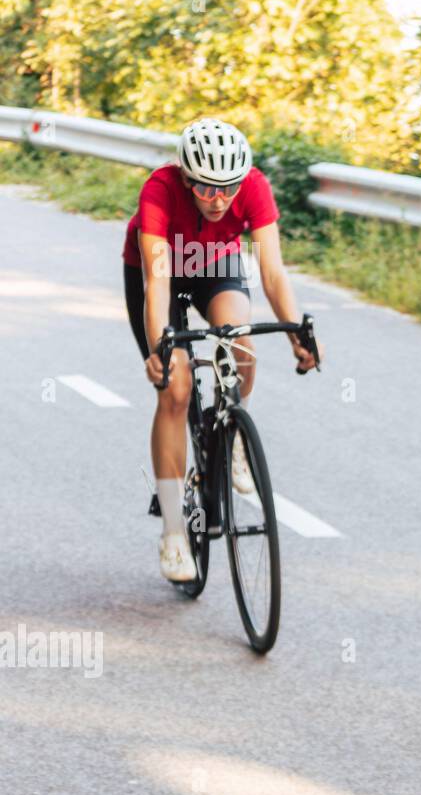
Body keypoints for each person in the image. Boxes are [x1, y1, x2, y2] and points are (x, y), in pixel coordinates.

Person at [122, 118, 320, 582]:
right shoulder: (160, 189)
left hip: (215, 265)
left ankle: (231, 441)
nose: (219, 200)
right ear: (187, 178)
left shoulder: (254, 187)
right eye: (207, 188)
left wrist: (297, 335)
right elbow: (157, 282)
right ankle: (173, 530)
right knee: (176, 388)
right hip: (162, 271)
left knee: (242, 348)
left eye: (228, 188)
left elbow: (272, 272)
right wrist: (161, 349)